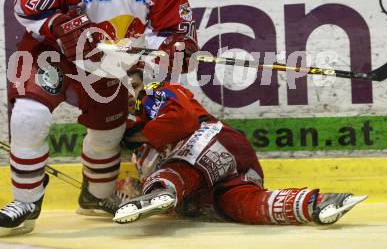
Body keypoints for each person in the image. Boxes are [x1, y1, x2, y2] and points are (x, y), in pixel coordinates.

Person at [0, 0, 198, 237]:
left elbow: (178, 37)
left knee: (108, 133)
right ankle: (26, 200)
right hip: (52, 52)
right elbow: (26, 8)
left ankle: (96, 196)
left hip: (107, 64)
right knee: (29, 115)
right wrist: (58, 25)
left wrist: (178, 47)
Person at [113, 66, 367, 225]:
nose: (131, 95)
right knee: (241, 205)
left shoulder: (155, 94)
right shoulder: (140, 156)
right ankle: (317, 203)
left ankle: (161, 190)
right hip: (225, 177)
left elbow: (183, 120)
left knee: (176, 171)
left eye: (134, 86)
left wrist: (137, 134)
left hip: (215, 142)